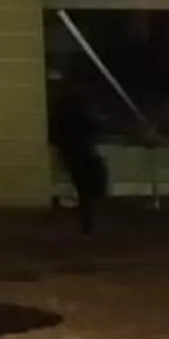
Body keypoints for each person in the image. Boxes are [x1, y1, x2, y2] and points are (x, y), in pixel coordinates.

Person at [46, 83, 110, 236]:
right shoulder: (80, 113)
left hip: (72, 154)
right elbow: (94, 127)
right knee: (91, 186)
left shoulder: (62, 113)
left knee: (84, 189)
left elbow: (54, 135)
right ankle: (86, 220)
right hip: (82, 154)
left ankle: (86, 221)